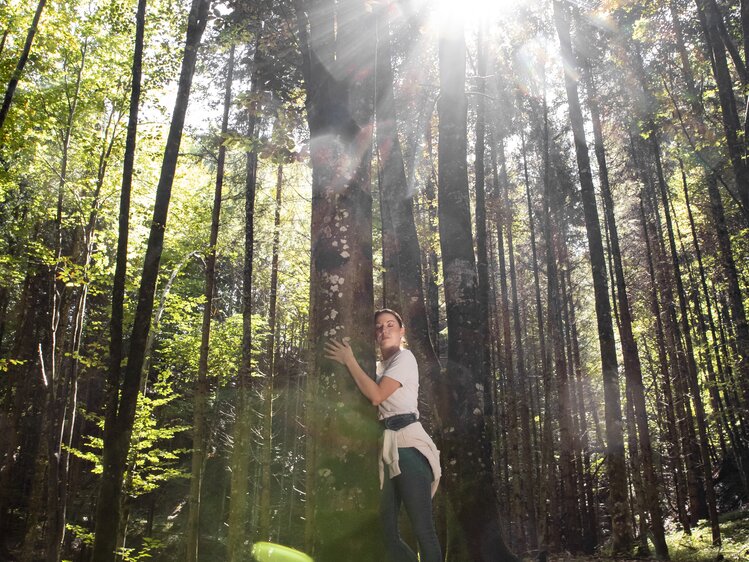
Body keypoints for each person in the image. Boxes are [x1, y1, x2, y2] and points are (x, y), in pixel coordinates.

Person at [325, 308, 442, 562]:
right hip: (388, 450)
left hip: (410, 446)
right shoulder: (378, 367)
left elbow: (376, 395)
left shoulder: (405, 358)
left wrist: (349, 360)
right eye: (379, 326)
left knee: (423, 530)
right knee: (386, 533)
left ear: (401, 332)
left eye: (390, 325)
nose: (384, 330)